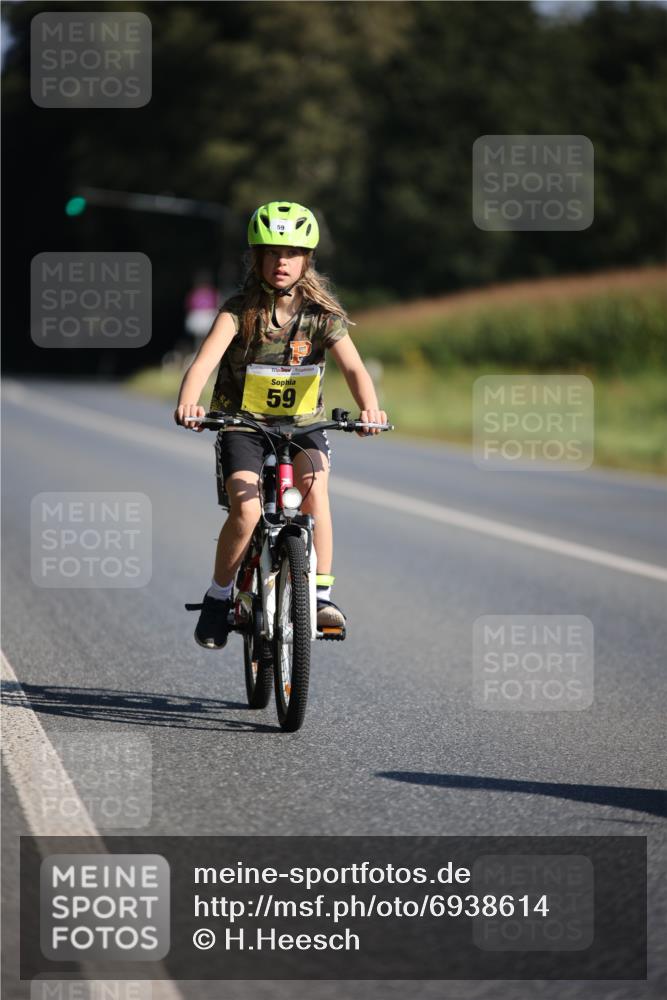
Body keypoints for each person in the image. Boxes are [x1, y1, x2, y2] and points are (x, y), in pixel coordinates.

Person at [174, 201, 387, 650]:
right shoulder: (238, 311)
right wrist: (188, 402)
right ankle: (219, 597)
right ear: (257, 257)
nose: (281, 261)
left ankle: (320, 597)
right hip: (244, 425)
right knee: (248, 510)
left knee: (314, 492)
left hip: (302, 425)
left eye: (292, 253)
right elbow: (204, 362)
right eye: (272, 252)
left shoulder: (322, 315)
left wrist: (370, 408)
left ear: (307, 259)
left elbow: (354, 368)